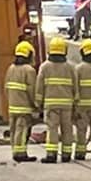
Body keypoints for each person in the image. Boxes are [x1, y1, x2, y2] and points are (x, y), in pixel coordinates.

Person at [35, 36, 77, 165]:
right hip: (67, 105)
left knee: (52, 129)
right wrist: (76, 102)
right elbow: (75, 87)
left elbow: (39, 87)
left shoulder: (45, 67)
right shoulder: (71, 67)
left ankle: (51, 154)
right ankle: (66, 154)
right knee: (67, 129)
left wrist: (38, 103)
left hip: (51, 104)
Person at [4, 39, 38, 163]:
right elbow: (32, 90)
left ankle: (15, 151)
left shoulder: (11, 68)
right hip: (24, 107)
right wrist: (36, 105)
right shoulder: (29, 70)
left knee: (14, 130)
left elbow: (6, 88)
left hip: (12, 106)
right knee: (22, 130)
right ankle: (21, 153)